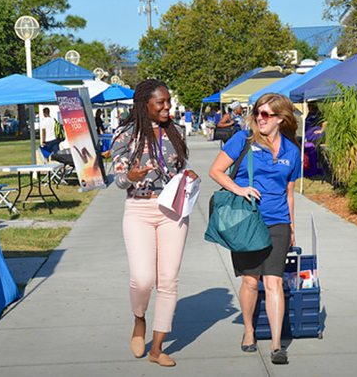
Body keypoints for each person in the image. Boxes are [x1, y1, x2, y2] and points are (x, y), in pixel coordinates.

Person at [111, 79, 199, 367]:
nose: (167, 107)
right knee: (143, 278)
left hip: (173, 210)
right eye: (160, 102)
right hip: (139, 209)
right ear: (143, 104)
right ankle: (139, 320)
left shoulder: (177, 132)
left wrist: (189, 175)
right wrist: (131, 177)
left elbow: (180, 166)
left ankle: (157, 349)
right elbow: (118, 179)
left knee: (168, 281)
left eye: (168, 101)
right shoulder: (125, 134)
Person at [209, 93, 301, 365]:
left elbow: (290, 193)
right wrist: (239, 188)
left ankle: (276, 345)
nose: (259, 118)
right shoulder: (243, 140)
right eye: (257, 113)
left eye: (266, 114)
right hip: (246, 221)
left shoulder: (291, 151)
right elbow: (216, 171)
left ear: (280, 119)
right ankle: (249, 330)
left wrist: (292, 227)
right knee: (250, 281)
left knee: (273, 281)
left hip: (278, 222)